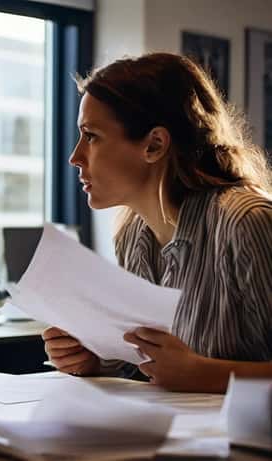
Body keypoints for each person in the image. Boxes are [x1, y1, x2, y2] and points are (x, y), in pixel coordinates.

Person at [42, 52, 272, 393]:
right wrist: (93, 358)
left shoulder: (247, 221)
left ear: (154, 145)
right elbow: (148, 358)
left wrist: (205, 374)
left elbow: (188, 372)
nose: (74, 157)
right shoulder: (133, 234)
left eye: (91, 136)